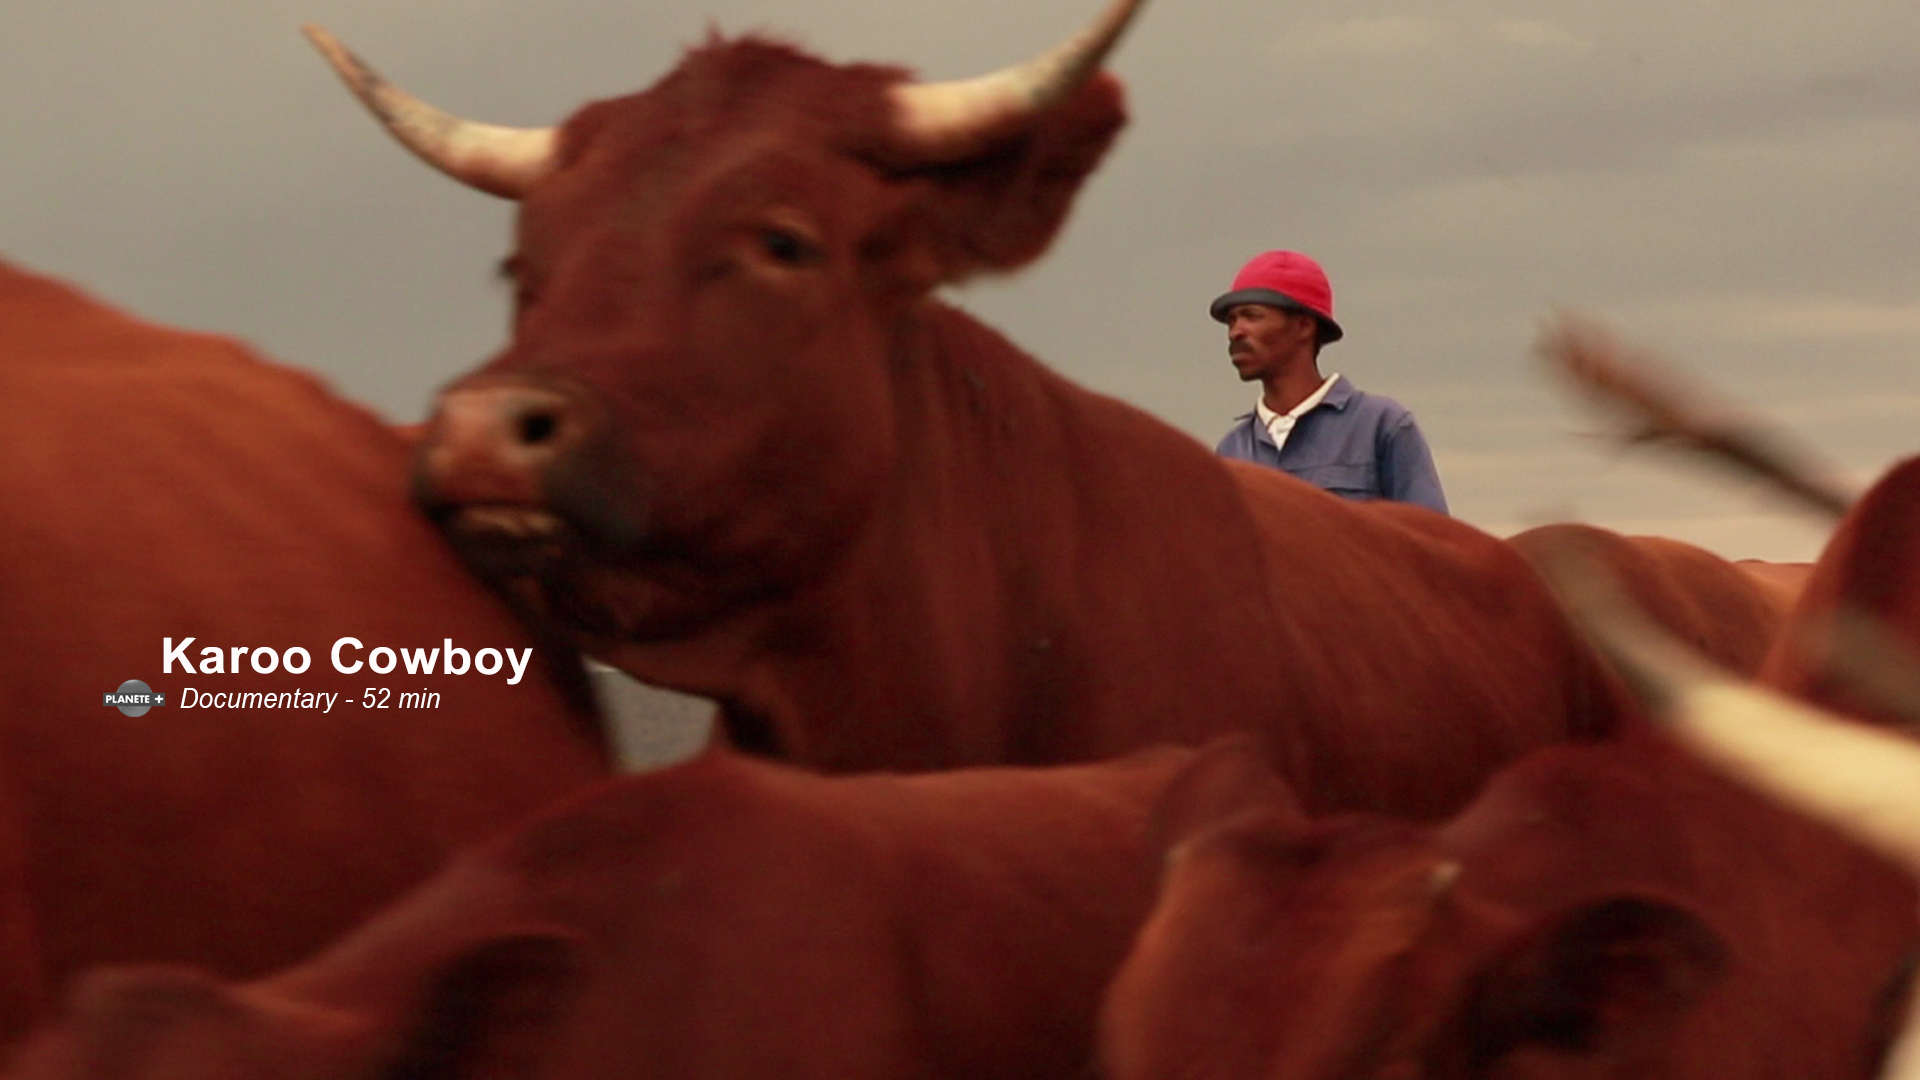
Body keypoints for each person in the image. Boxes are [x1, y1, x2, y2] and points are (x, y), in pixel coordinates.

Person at [1210, 249, 1448, 514]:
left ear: (1304, 327)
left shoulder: (1381, 426)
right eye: (1231, 320)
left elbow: (1432, 542)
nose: (1235, 332)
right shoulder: (1231, 451)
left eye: (1251, 315)